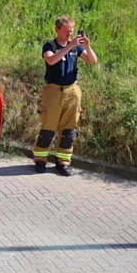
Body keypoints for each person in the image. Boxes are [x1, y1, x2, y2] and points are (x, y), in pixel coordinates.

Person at [32, 16, 98, 176]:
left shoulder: (76, 47)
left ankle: (63, 162)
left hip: (72, 91)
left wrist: (87, 47)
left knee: (69, 130)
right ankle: (40, 160)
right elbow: (51, 60)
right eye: (66, 32)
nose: (70, 35)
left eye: (72, 32)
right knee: (48, 127)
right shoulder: (50, 46)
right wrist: (70, 46)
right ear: (57, 30)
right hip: (53, 91)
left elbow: (93, 61)